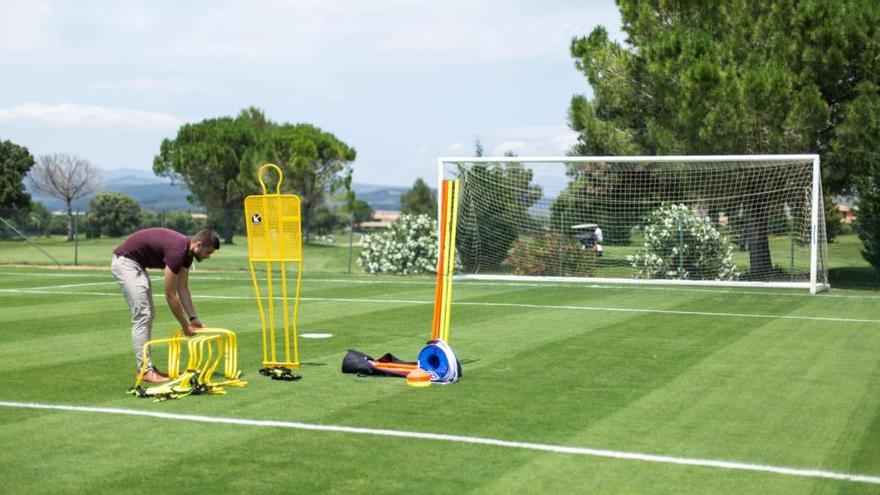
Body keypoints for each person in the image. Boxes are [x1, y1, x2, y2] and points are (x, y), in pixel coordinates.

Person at [111, 228, 220, 383]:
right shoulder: (177, 252)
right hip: (125, 263)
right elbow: (170, 295)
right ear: (198, 245)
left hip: (136, 265)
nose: (208, 257)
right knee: (143, 315)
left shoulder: (187, 255)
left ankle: (147, 368)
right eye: (208, 252)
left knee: (148, 315)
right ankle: (145, 371)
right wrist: (184, 325)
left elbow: (183, 288)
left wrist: (193, 318)